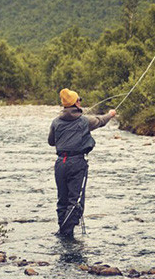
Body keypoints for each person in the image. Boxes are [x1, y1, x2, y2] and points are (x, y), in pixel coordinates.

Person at [47, 88, 116, 238]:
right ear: (76, 103)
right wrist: (111, 114)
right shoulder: (85, 121)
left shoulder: (56, 122)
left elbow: (51, 142)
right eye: (79, 99)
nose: (80, 101)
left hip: (60, 163)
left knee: (62, 199)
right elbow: (101, 121)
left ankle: (63, 230)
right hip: (77, 163)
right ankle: (66, 233)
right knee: (75, 200)